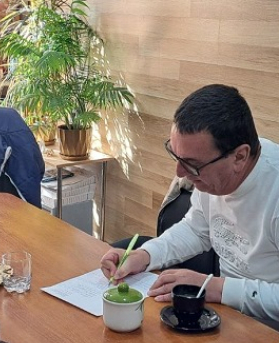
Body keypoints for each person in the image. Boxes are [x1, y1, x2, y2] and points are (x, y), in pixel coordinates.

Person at [101, 84, 279, 327]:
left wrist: (215, 287)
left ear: (239, 156)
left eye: (192, 164)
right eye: (176, 157)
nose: (180, 173)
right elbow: (195, 229)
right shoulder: (213, 180)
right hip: (227, 317)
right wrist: (145, 255)